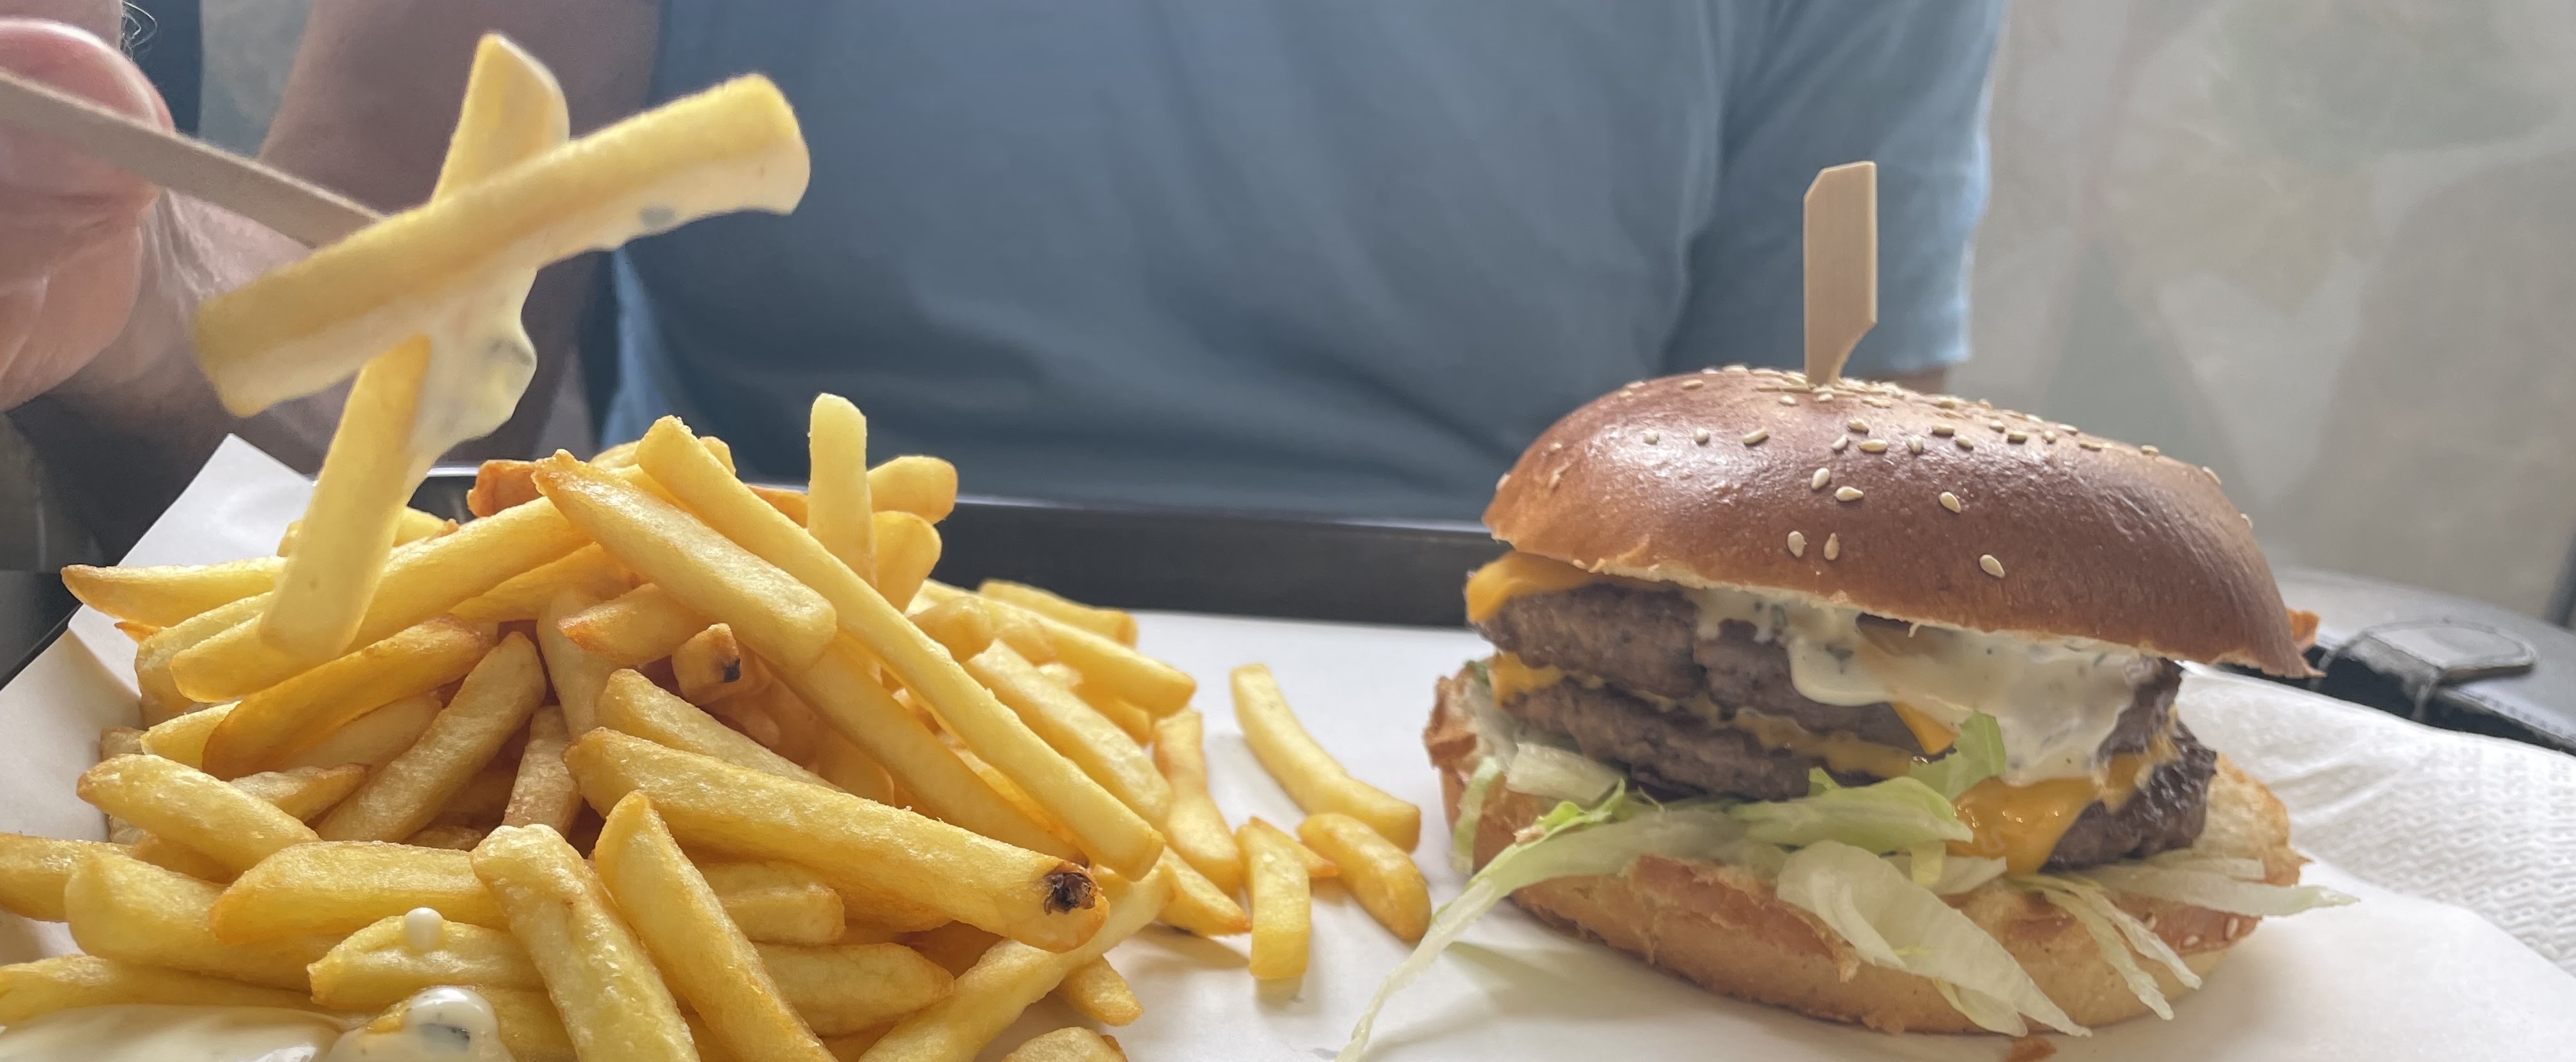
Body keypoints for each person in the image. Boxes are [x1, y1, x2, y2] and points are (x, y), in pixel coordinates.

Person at [1, 1, 2003, 550]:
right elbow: (348, 332)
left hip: (1477, 802)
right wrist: (107, 267)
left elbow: (1829, 508)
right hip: (736, 717)